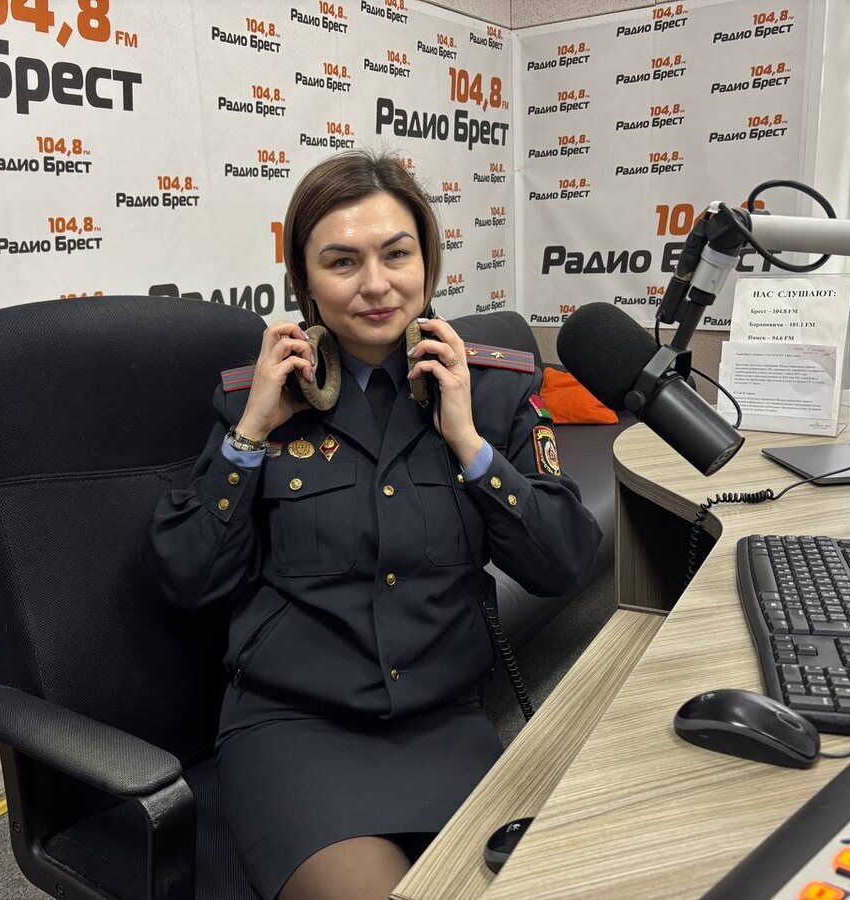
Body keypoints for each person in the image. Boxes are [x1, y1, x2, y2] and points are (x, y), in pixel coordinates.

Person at [145, 150, 602, 900]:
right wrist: (251, 434)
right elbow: (188, 577)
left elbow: (563, 564)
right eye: (342, 262)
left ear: (428, 263)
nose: (376, 284)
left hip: (444, 721)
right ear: (304, 282)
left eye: (396, 254)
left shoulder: (493, 389)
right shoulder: (255, 400)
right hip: (295, 727)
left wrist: (469, 444)